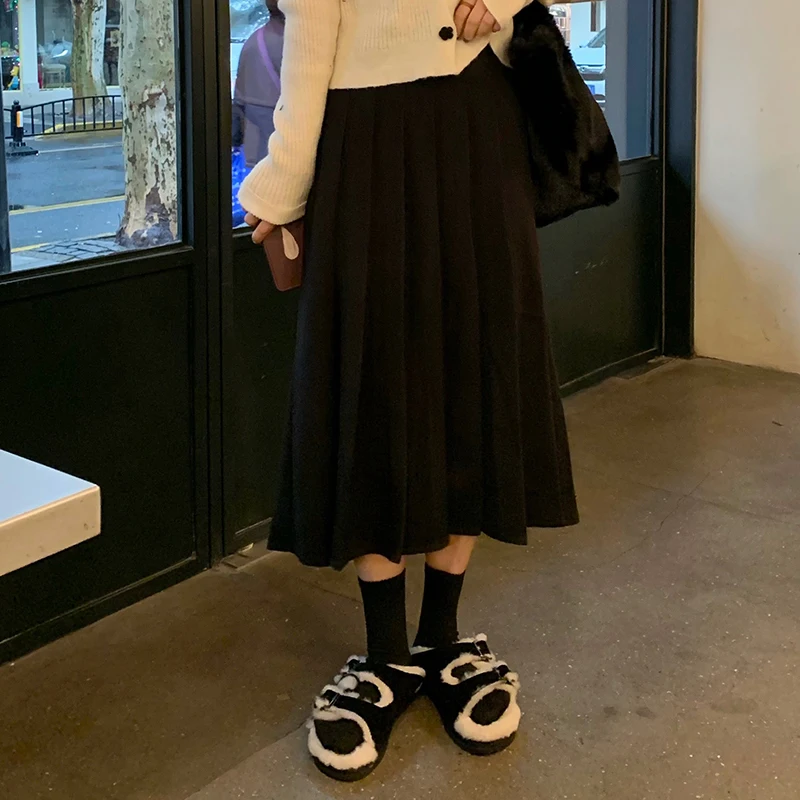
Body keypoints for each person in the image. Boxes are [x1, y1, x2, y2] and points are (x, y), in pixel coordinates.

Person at [239, 0, 578, 782]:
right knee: (370, 373)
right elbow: (312, 28)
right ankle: (387, 652)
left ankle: (442, 636)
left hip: (482, 115)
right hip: (364, 128)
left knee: (477, 362)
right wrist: (285, 180)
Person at [232, 0, 285, 169]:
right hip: (289, 155)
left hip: (256, 157)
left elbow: (238, 107)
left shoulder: (252, 42)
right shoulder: (300, 46)